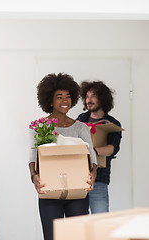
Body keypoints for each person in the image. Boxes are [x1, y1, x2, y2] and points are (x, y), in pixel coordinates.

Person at [28, 73, 98, 240]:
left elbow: (92, 159)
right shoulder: (39, 127)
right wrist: (34, 177)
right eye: (59, 97)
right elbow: (32, 157)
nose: (65, 101)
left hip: (78, 194)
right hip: (49, 193)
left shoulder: (80, 128)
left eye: (67, 97)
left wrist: (92, 176)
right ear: (50, 101)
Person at [77, 81, 122, 214]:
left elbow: (113, 148)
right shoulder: (80, 119)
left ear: (102, 98)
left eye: (93, 96)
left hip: (99, 180)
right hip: (78, 179)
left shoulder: (112, 123)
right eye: (87, 96)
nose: (89, 100)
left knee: (100, 221)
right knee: (79, 223)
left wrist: (92, 151)